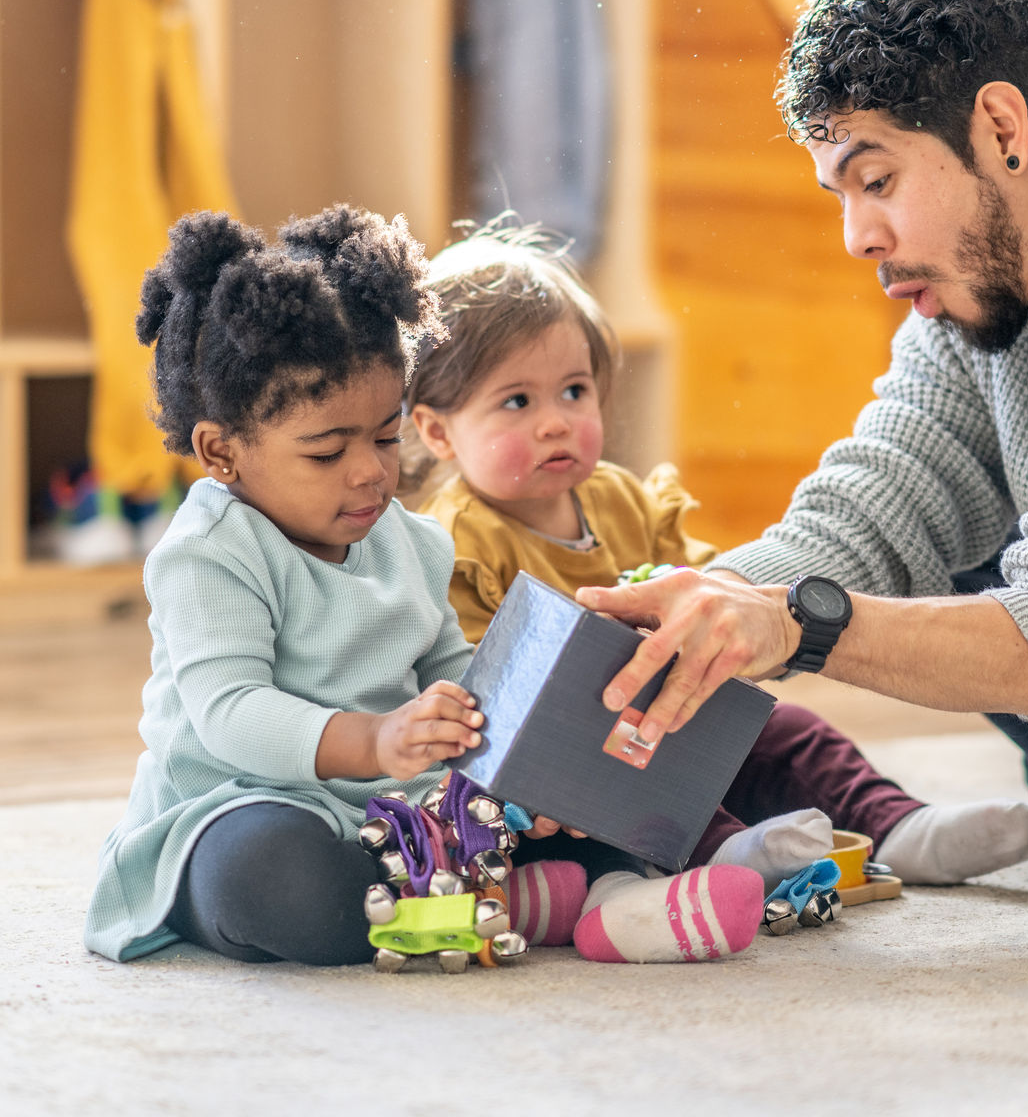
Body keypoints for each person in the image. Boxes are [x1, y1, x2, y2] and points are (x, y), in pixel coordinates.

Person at [577, 0, 1028, 942]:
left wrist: (798, 624)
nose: (856, 236)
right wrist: (690, 617)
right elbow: (876, 498)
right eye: (841, 195)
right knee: (969, 591)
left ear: (999, 126)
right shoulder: (970, 286)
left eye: (876, 180)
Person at [83, 204, 762, 969]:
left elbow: (451, 670)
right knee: (272, 876)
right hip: (244, 804)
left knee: (572, 805)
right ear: (222, 452)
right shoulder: (209, 555)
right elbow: (231, 714)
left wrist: (522, 752)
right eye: (327, 451)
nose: (372, 470)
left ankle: (596, 898)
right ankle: (500, 900)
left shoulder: (410, 541)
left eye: (383, 435)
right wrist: (375, 738)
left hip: (408, 813)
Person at [405, 217, 1028, 890]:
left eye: (574, 390)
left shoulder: (623, 499)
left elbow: (704, 588)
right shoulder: (455, 540)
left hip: (671, 706)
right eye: (516, 401)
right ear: (437, 431)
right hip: (555, 767)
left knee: (791, 731)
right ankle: (727, 855)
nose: (554, 421)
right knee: (647, 759)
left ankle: (899, 825)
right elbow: (480, 690)